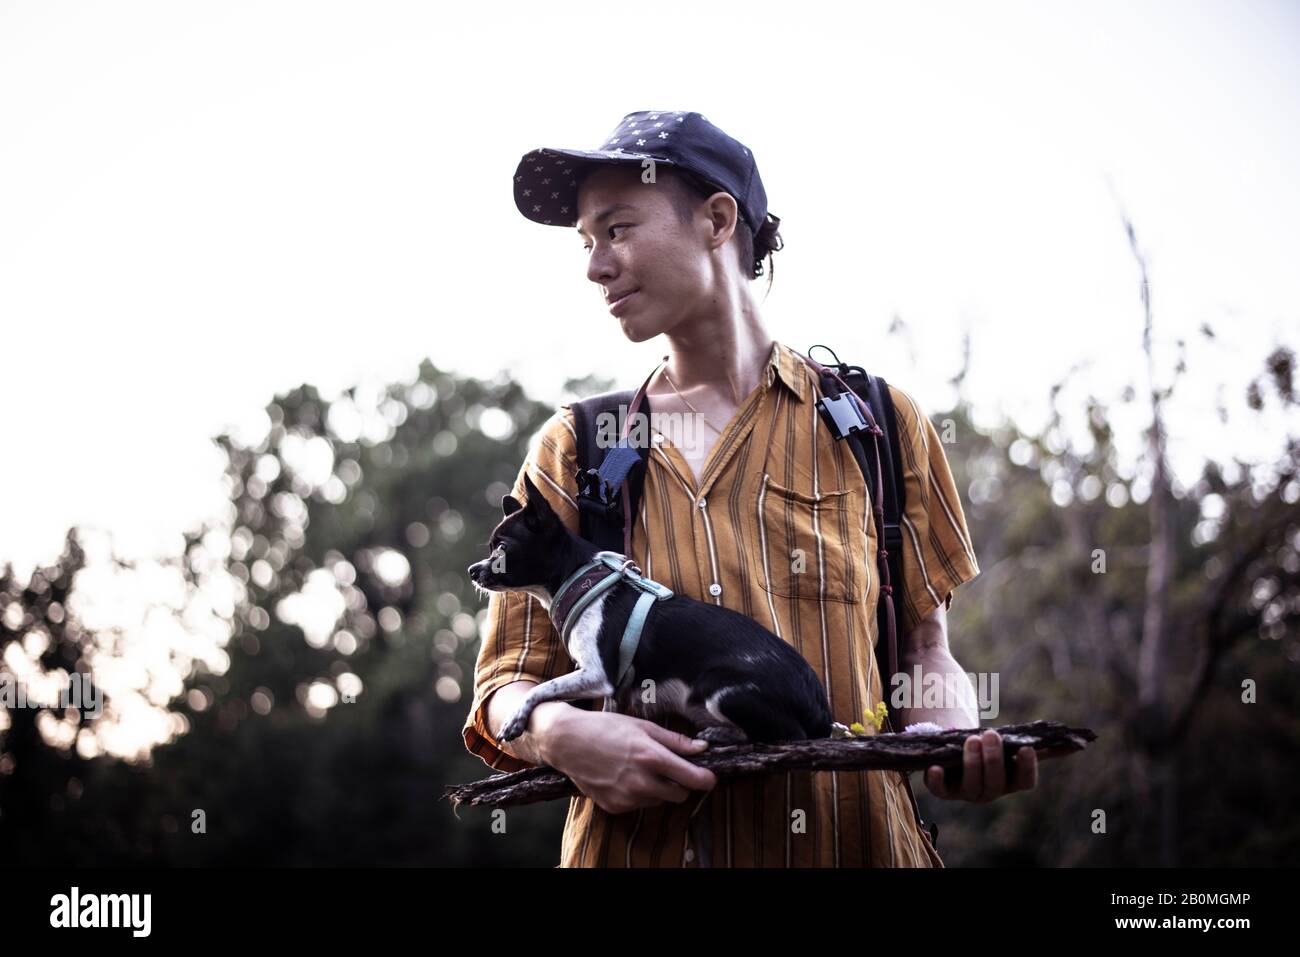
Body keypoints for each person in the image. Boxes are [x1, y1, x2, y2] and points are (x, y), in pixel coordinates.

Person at [462, 110, 1037, 867]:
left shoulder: (877, 425)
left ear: (718, 220)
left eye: (617, 228)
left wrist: (953, 738)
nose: (595, 265)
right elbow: (507, 682)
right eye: (586, 242)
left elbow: (926, 652)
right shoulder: (574, 448)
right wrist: (560, 734)